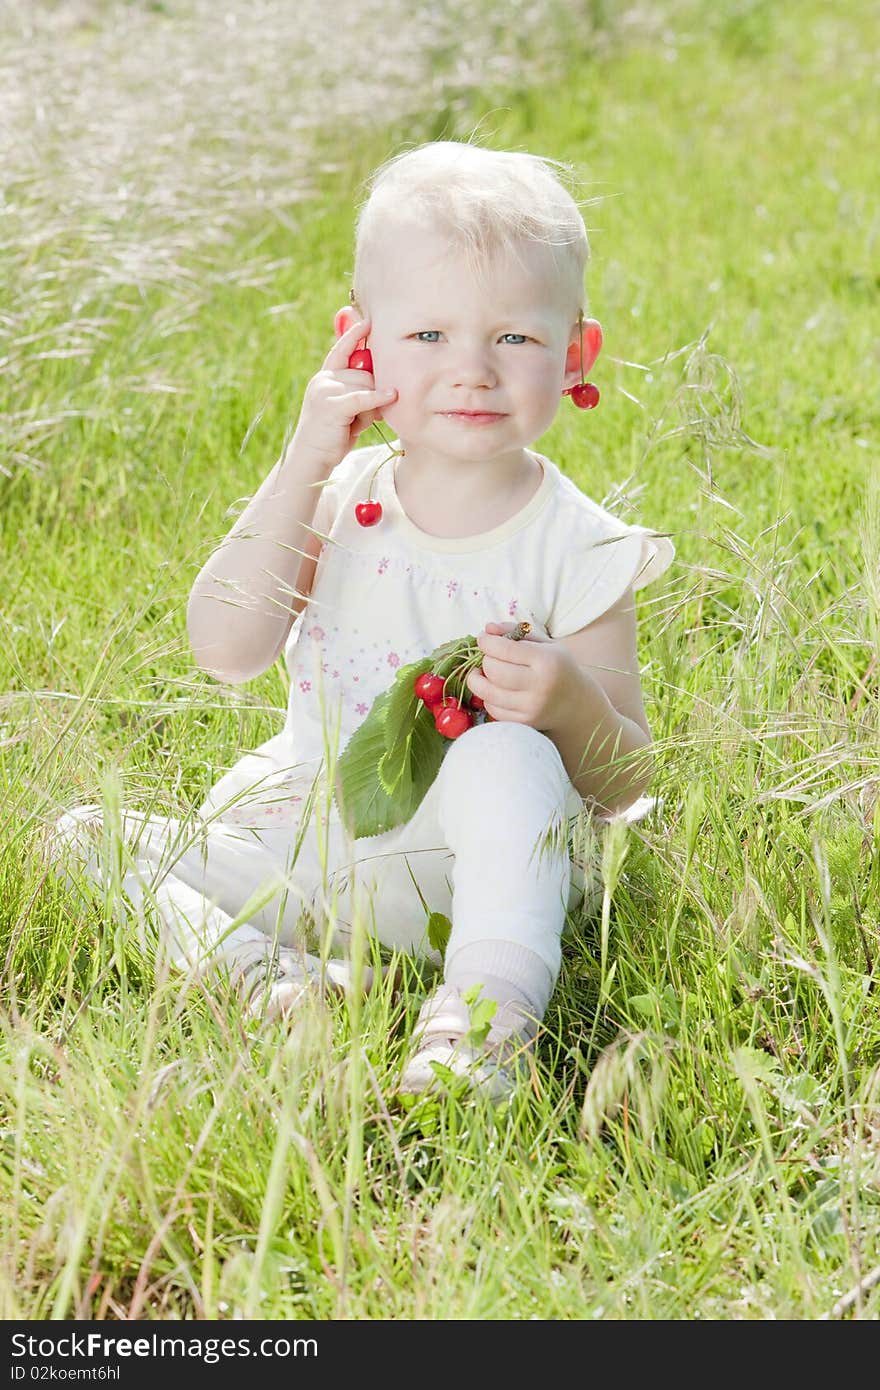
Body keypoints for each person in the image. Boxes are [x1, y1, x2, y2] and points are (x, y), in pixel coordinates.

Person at [49, 140, 674, 1100]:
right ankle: (278, 983)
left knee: (502, 755)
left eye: (513, 338)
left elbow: (625, 785)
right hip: (315, 856)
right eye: (427, 337)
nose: (471, 371)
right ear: (362, 344)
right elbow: (226, 649)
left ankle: (482, 1023)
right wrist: (305, 458)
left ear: (576, 354)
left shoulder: (580, 547)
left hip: (481, 881)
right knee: (82, 836)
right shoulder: (338, 497)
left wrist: (567, 702)